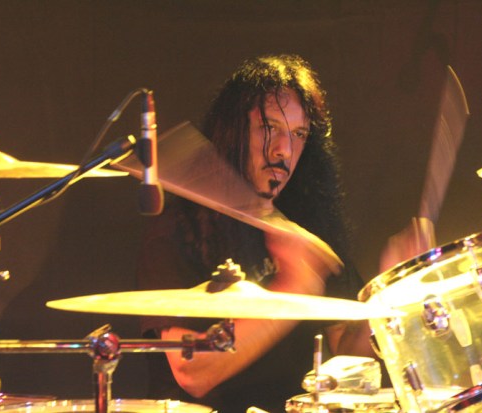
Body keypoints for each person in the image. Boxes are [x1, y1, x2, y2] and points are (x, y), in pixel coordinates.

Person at [137, 54, 375, 413]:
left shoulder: (307, 222)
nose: (284, 149)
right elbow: (192, 371)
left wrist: (395, 300)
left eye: (298, 134)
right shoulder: (177, 231)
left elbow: (348, 347)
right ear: (235, 131)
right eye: (269, 128)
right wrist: (293, 288)